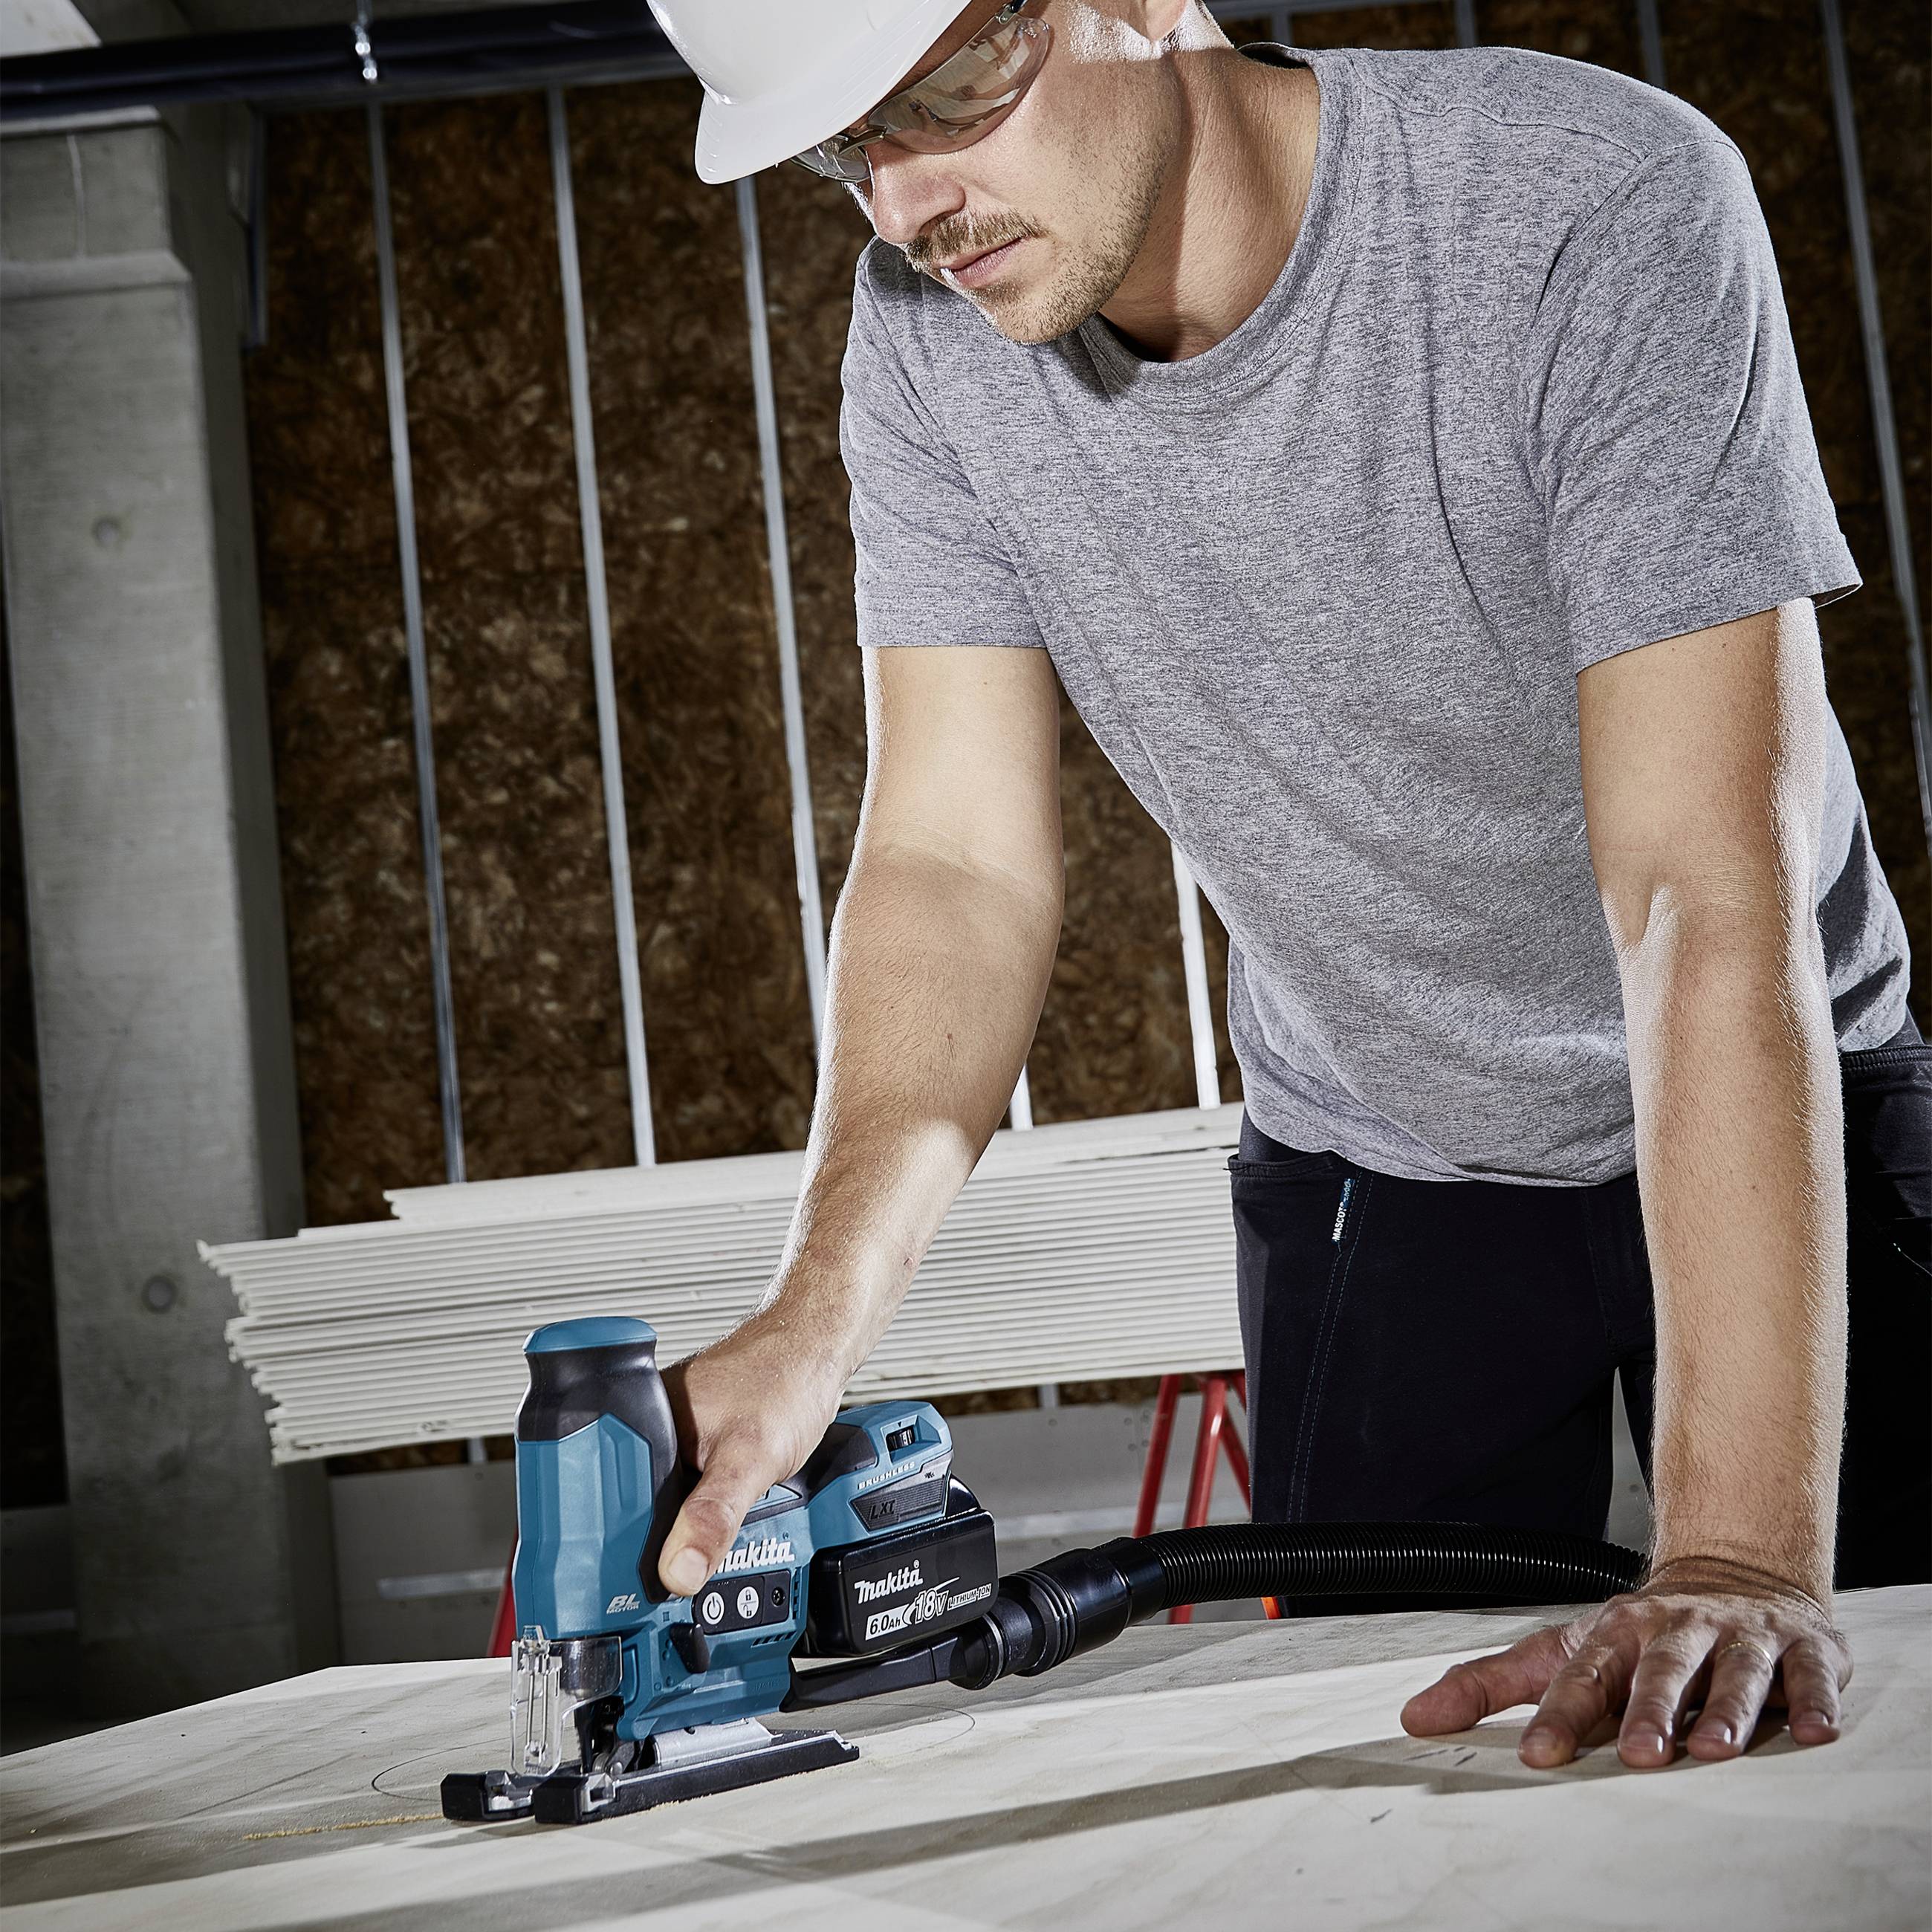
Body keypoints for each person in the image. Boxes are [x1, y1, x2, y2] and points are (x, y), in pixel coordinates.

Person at [640, 0, 1929, 1771]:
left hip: (1780, 1099)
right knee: (1396, 1778)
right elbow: (953, 861)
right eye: (844, 149)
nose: (907, 202)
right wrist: (810, 1326)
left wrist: (1732, 1550)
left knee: (1857, 1721)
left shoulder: (1583, 201)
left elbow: (1700, 893)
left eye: (944, 92)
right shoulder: (925, 346)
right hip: (1377, 1165)